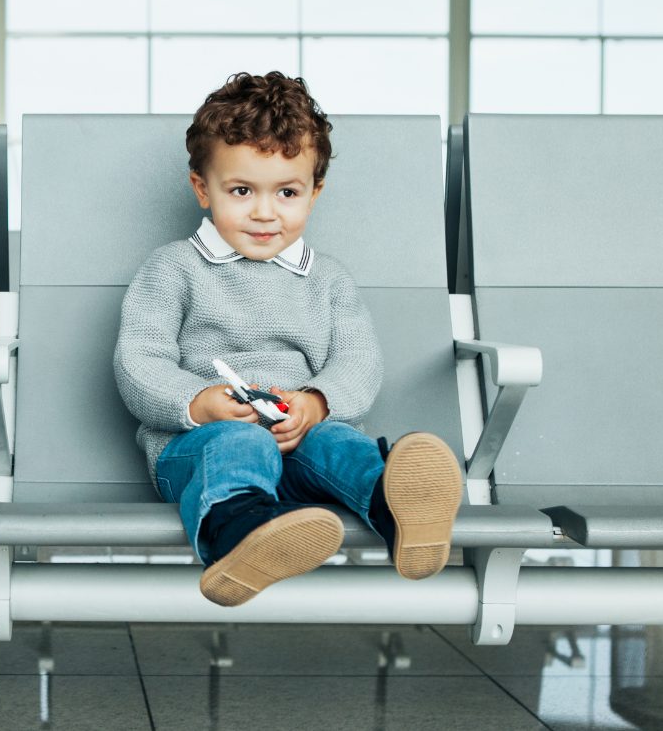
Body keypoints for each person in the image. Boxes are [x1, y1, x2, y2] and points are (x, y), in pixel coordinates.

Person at [114, 71, 462, 606]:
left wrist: (317, 403)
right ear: (202, 188)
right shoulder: (173, 269)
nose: (264, 211)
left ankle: (399, 514)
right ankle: (238, 534)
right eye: (241, 190)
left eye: (287, 192)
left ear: (314, 193)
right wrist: (199, 404)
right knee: (241, 442)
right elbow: (139, 361)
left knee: (342, 444)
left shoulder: (328, 280)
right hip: (197, 450)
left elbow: (358, 362)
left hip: (299, 441)